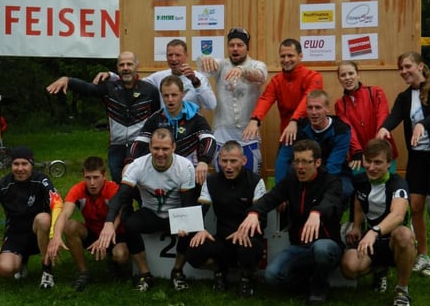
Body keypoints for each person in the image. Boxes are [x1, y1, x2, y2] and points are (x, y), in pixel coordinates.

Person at [377, 51, 430, 277]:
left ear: (420, 66)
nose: (403, 71)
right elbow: (395, 116)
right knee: (415, 206)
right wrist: (384, 128)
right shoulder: (404, 97)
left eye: (407, 66)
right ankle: (422, 254)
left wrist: (422, 124)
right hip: (418, 157)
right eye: (401, 68)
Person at [235, 140, 343, 305]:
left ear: (317, 162)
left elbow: (330, 202)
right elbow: (270, 198)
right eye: (296, 161)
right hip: (299, 247)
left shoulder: (332, 182)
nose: (299, 167)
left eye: (305, 162)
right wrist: (254, 213)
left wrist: (317, 213)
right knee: (271, 276)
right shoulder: (291, 180)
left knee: (321, 249)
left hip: (327, 245)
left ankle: (319, 289)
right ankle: (307, 282)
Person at [46, 51, 160, 183]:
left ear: (137, 66)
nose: (125, 68)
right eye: (122, 65)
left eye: (129, 64)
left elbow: (156, 119)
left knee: (140, 184)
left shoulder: (150, 90)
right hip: (116, 147)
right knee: (118, 184)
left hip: (140, 146)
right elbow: (88, 88)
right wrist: (68, 80)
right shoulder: (109, 88)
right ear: (117, 68)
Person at [105, 128, 196, 291]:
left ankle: (177, 272)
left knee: (192, 226)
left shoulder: (185, 166)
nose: (160, 153)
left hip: (175, 213)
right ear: (149, 147)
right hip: (150, 212)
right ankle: (145, 274)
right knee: (131, 225)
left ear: (173, 147)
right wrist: (109, 222)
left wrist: (186, 223)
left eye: (165, 149)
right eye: (156, 148)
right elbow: (121, 195)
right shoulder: (138, 165)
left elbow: (188, 202)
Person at [0, 146, 63, 289]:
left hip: (39, 234)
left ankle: (47, 270)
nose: (20, 168)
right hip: (15, 234)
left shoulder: (41, 180)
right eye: (16, 164)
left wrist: (53, 236)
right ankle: (22, 261)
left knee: (43, 219)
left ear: (31, 164)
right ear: (11, 165)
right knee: (5, 269)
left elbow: (57, 204)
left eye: (24, 164)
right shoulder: (3, 185)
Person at [341, 139, 416, 306]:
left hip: (396, 243)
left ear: (389, 164)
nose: (371, 167)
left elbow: (398, 215)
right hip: (372, 242)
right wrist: (357, 226)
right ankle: (379, 269)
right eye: (368, 161)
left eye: (378, 162)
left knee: (404, 235)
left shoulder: (398, 184)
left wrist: (373, 232)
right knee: (349, 267)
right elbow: (358, 200)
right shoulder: (360, 181)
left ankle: (402, 290)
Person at [185, 140, 267, 297]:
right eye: (224, 161)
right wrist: (199, 229)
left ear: (244, 160)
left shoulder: (256, 181)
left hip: (248, 238)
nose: (228, 166)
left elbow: (262, 217)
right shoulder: (211, 181)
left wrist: (244, 232)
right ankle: (219, 272)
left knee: (249, 250)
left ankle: (246, 278)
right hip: (223, 238)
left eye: (233, 161)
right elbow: (201, 209)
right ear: (219, 161)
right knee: (194, 251)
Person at [242, 38, 323, 183]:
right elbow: (266, 99)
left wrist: (294, 120)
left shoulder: (313, 77)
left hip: (310, 134)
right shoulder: (277, 80)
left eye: (290, 55)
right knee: (281, 173)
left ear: (300, 56)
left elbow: (307, 99)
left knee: (310, 176)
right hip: (287, 136)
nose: (286, 60)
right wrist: (255, 120)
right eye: (283, 56)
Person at [45, 156, 129, 291]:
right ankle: (83, 273)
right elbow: (64, 214)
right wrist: (56, 236)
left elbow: (120, 214)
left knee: (121, 256)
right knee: (69, 226)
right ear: (83, 176)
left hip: (115, 234)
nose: (92, 183)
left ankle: (113, 261)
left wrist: (107, 235)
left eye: (96, 177)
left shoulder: (113, 189)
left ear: (104, 176)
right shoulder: (78, 189)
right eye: (88, 178)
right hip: (93, 233)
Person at [198, 27, 268, 174]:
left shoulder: (257, 64)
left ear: (247, 47)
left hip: (248, 134)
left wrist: (243, 70)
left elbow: (260, 76)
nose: (235, 49)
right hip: (222, 132)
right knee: (222, 179)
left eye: (240, 45)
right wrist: (205, 59)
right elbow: (204, 67)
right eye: (231, 45)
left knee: (250, 178)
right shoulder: (222, 65)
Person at [129, 75, 216, 187]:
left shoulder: (196, 117)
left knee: (206, 181)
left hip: (190, 171)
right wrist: (129, 162)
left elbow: (209, 140)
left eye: (174, 95)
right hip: (162, 171)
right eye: (166, 95)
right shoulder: (155, 118)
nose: (170, 99)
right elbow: (139, 143)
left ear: (182, 94)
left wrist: (204, 161)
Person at [94, 39, 216, 111]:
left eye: (177, 55)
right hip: (165, 132)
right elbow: (133, 82)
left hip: (190, 130)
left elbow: (211, 105)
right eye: (170, 55)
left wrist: (195, 82)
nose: (173, 59)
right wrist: (111, 76)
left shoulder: (199, 78)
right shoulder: (159, 77)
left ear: (186, 56)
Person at [334, 60, 398, 173]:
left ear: (358, 74)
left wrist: (377, 143)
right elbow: (348, 129)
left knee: (386, 182)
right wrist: (357, 151)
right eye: (343, 75)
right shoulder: (339, 104)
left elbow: (382, 115)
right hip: (360, 157)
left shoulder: (375, 92)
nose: (347, 78)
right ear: (339, 79)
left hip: (383, 150)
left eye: (351, 73)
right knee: (362, 183)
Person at [297, 89, 353, 207]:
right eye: (310, 108)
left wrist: (316, 186)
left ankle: (330, 216)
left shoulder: (341, 130)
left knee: (345, 190)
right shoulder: (301, 127)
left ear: (327, 108)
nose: (313, 112)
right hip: (307, 170)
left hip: (337, 173)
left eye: (318, 107)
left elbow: (334, 166)